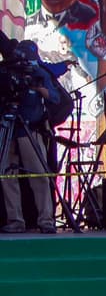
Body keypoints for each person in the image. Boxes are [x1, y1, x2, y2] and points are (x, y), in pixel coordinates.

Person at [1, 38, 64, 234]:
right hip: (8, 124)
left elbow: (55, 98)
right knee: (5, 174)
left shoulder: (39, 73)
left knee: (39, 174)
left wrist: (37, 88)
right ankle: (15, 219)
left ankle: (46, 219)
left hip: (30, 127)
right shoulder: (7, 71)